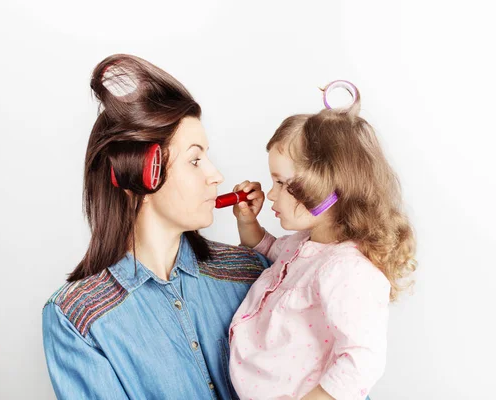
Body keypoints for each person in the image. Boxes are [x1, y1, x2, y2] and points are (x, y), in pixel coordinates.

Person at [42, 54, 268, 399]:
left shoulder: (251, 272)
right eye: (195, 159)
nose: (216, 175)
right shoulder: (77, 317)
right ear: (141, 175)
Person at [228, 81, 417, 399]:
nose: (271, 193)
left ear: (326, 188)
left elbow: (363, 360)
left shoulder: (347, 270)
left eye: (281, 182)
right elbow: (269, 249)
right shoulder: (306, 243)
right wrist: (247, 221)